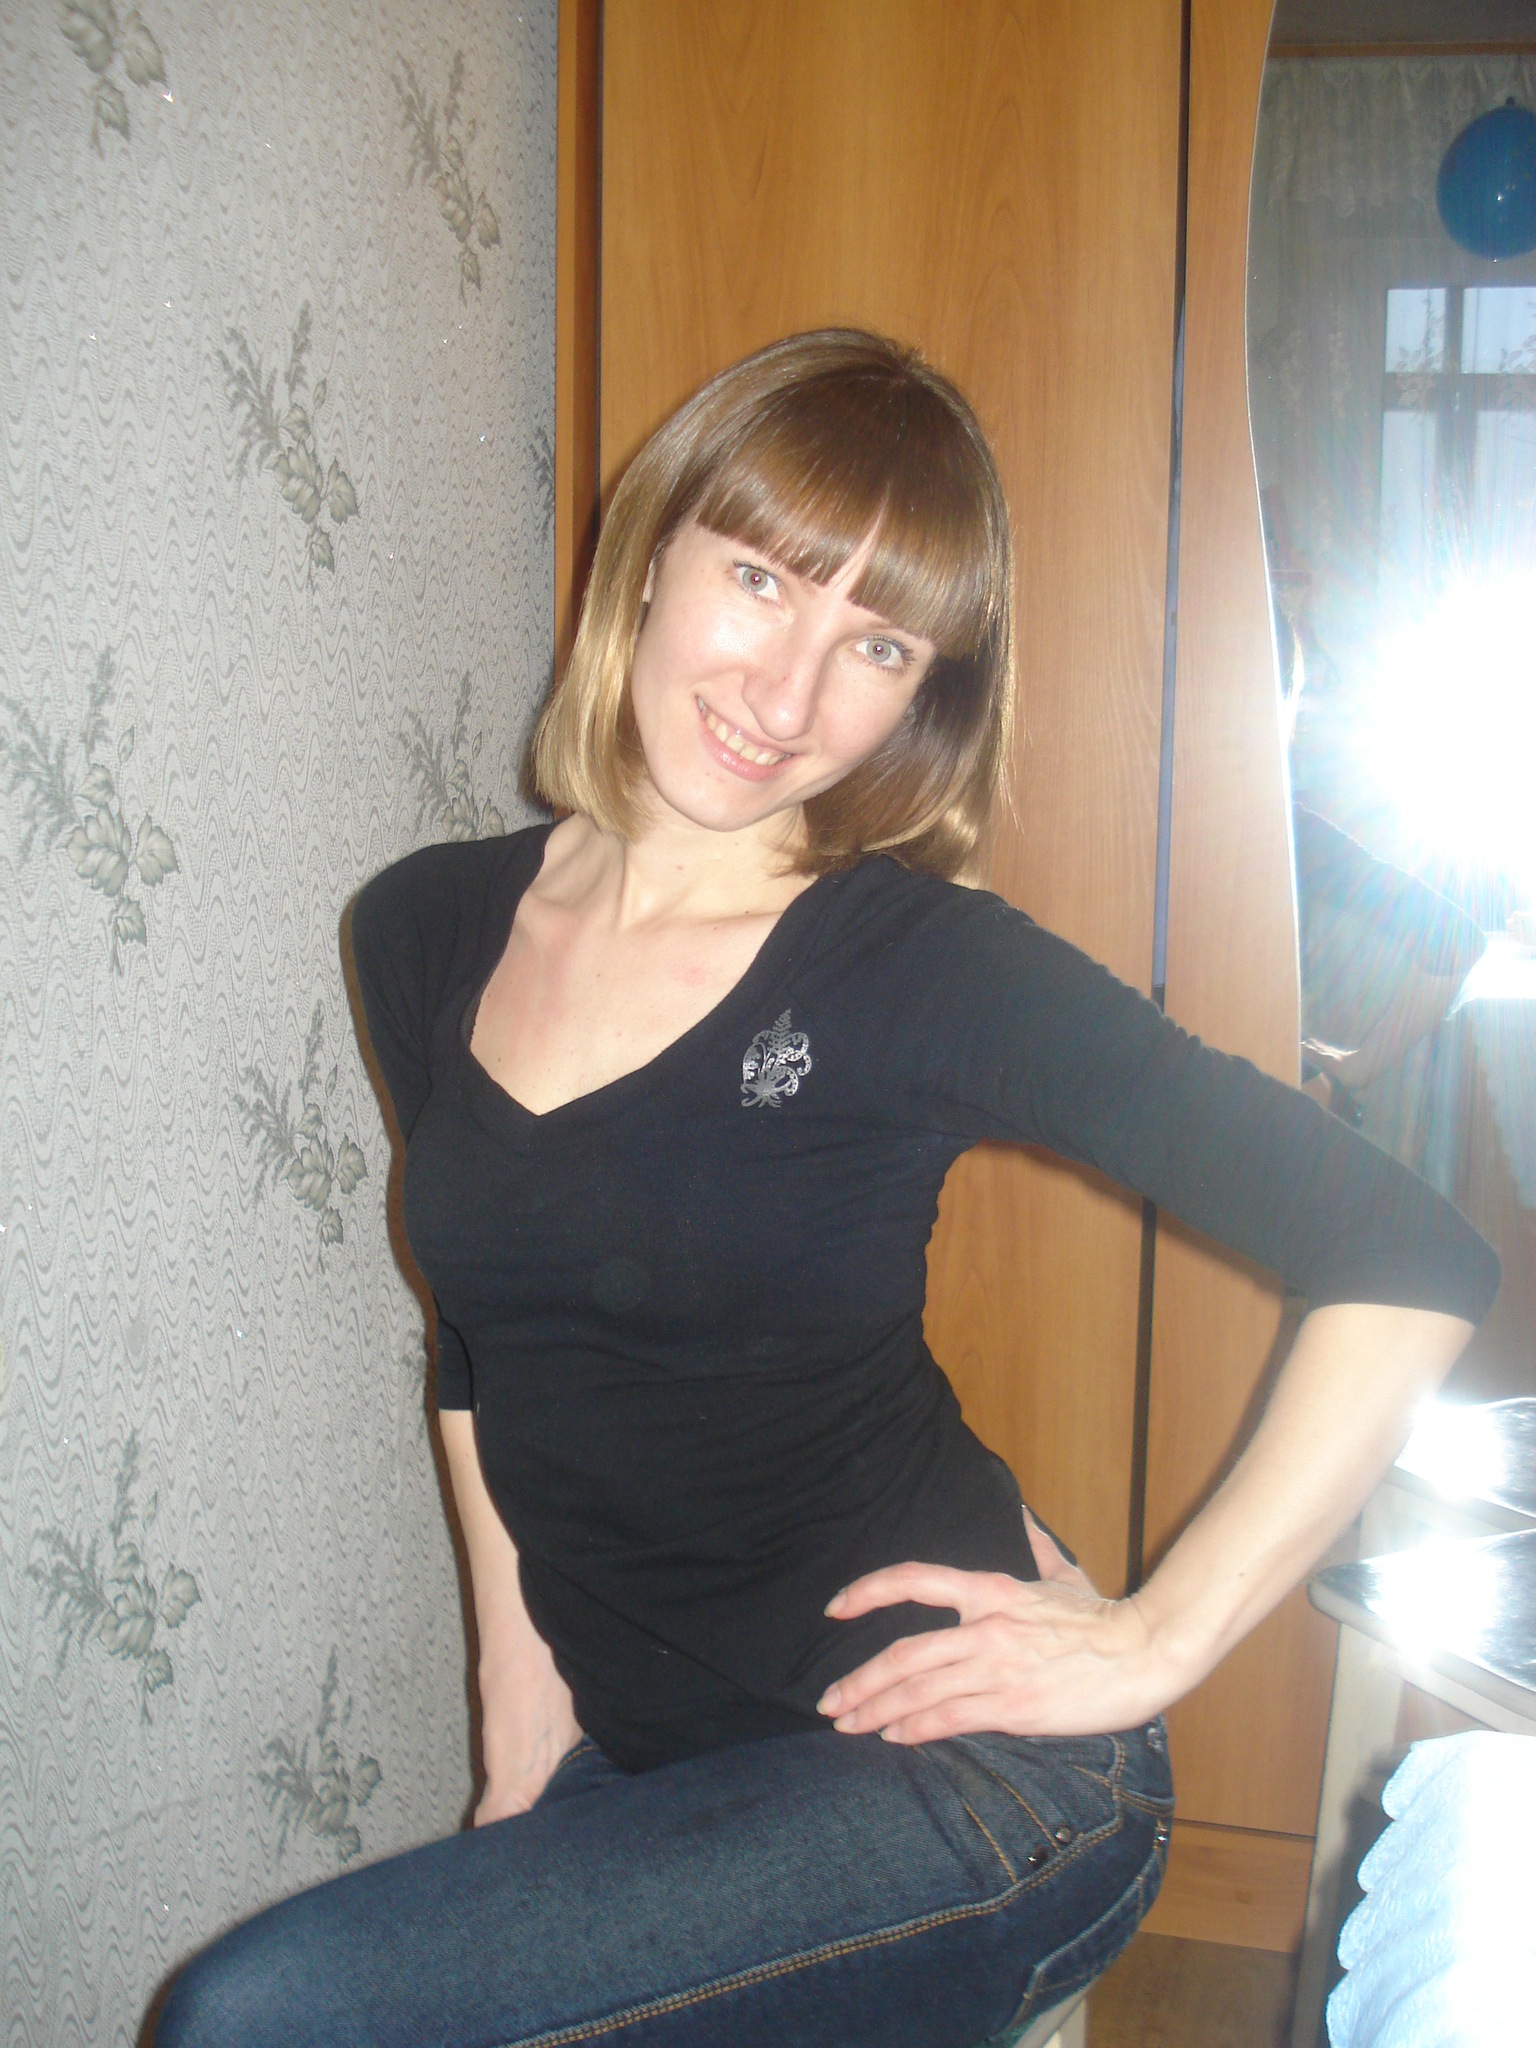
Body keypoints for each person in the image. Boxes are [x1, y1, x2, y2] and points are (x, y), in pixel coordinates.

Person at [156, 331, 1497, 2048]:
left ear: (918, 695)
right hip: (662, 1763)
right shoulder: (422, 928)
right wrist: (519, 1699)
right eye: (761, 579)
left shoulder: (914, 964)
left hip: (969, 1772)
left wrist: (1158, 1637)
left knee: (255, 2015)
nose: (786, 698)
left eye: (876, 644)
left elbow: (1406, 1253)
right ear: (653, 553)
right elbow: (484, 1335)